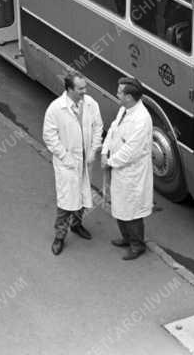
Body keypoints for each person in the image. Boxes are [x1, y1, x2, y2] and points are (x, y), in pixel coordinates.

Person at [41, 71, 103, 255]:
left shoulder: (91, 104)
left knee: (83, 196)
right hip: (67, 164)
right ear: (69, 89)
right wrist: (66, 157)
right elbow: (49, 137)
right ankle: (59, 236)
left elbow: (98, 127)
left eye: (85, 87)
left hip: (85, 161)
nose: (85, 91)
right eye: (80, 88)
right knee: (66, 202)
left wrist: (93, 150)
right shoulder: (55, 109)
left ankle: (77, 224)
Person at [101, 78, 154, 260]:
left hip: (131, 172)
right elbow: (113, 129)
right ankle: (126, 238)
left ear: (129, 97)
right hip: (120, 168)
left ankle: (137, 245)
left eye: (120, 92)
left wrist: (110, 161)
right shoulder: (125, 109)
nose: (117, 94)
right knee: (120, 205)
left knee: (131, 211)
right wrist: (104, 151)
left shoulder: (142, 119)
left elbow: (131, 151)